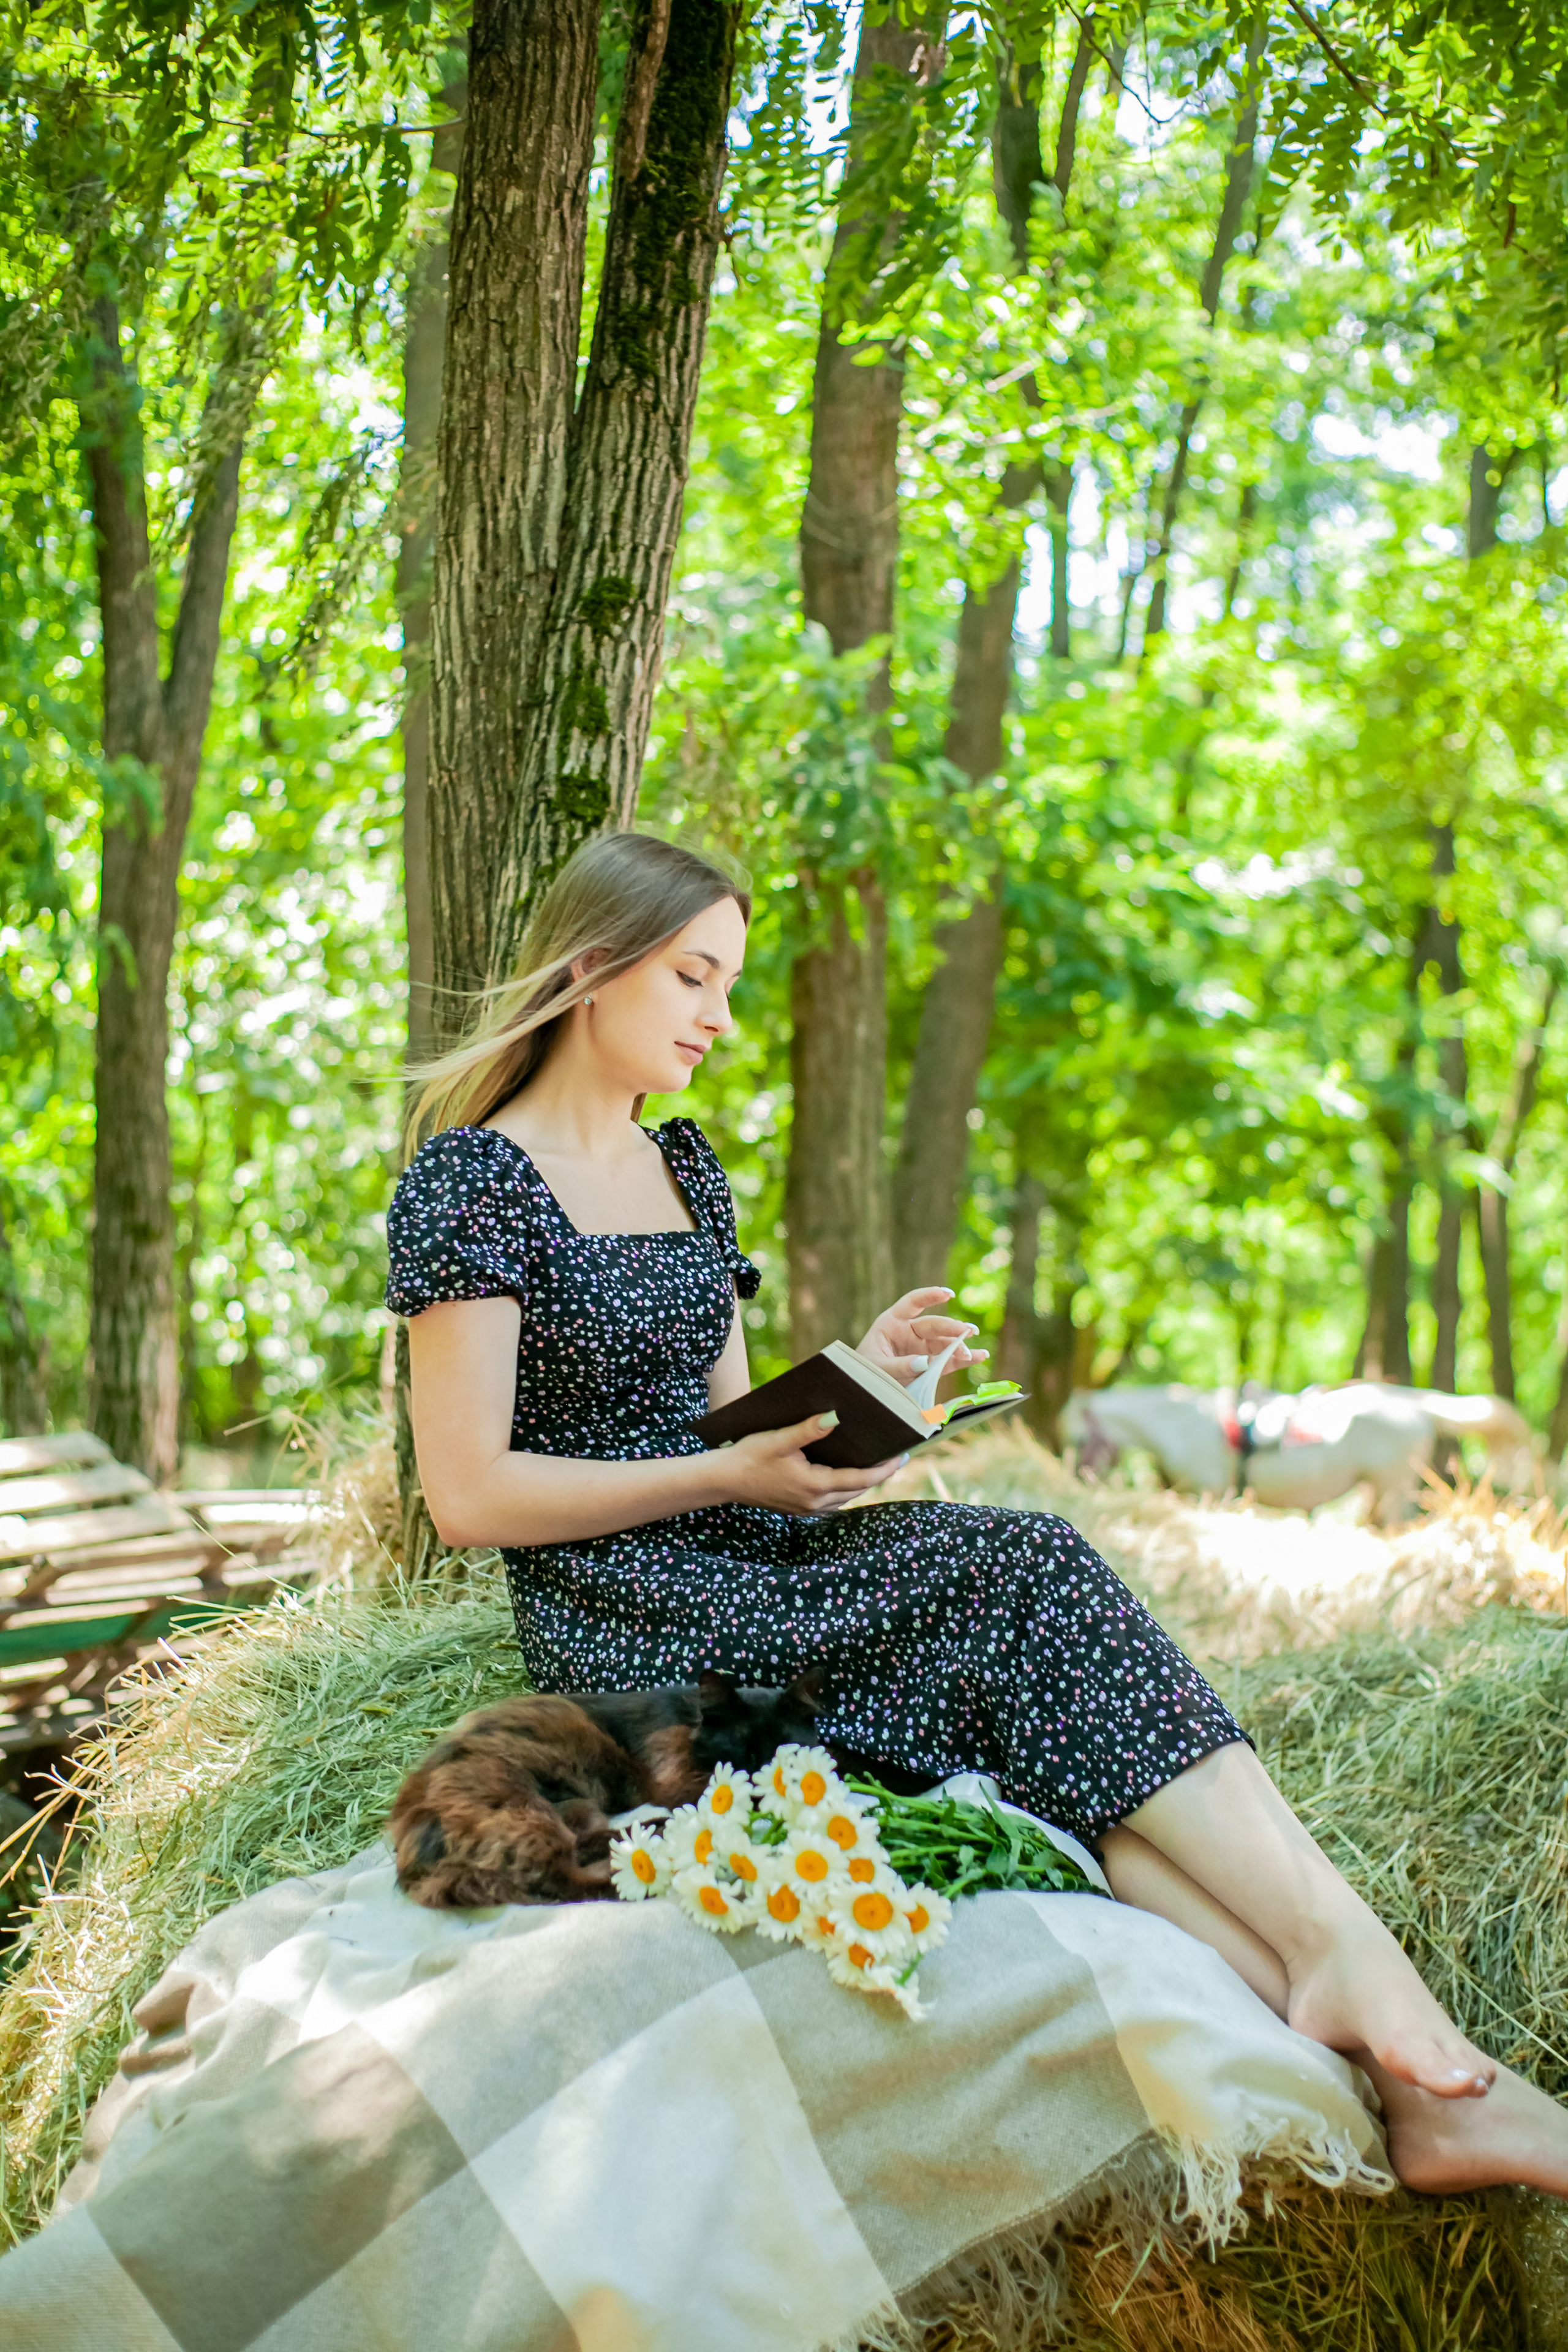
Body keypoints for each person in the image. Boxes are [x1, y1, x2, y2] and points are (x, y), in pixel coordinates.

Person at [389, 830, 1568, 2198]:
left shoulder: (683, 1167)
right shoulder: (471, 1184)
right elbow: (470, 1494)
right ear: (593, 972)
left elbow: (724, 1425)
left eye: (731, 985)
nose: (720, 1016)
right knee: (1024, 1567)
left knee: (1048, 1668)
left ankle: (1396, 2062)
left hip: (759, 1556)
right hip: (633, 1622)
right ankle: (1362, 1981)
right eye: (693, 978)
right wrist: (731, 1477)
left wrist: (854, 1389)